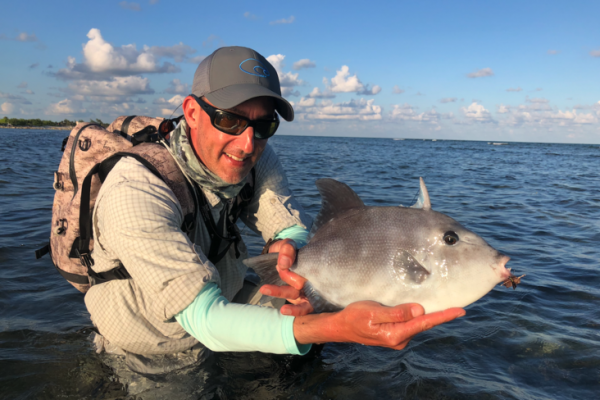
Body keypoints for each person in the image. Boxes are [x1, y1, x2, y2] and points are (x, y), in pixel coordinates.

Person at [86, 46, 465, 391]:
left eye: (264, 125)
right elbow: (205, 320)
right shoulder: (134, 191)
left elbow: (286, 224)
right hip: (152, 344)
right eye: (230, 121)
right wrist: (338, 327)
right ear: (192, 113)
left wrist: (289, 249)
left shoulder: (256, 158)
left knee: (304, 350)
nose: (247, 143)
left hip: (225, 291)